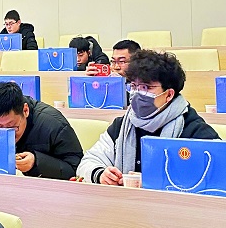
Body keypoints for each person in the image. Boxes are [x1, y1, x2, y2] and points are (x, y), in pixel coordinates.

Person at [77, 50, 220, 185]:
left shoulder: (192, 129)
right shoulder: (122, 125)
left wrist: (153, 182)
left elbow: (218, 171)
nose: (137, 94)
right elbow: (88, 161)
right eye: (134, 86)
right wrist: (101, 174)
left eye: (146, 87)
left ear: (169, 95)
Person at [0, 82, 83, 179]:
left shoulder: (54, 125)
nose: (7, 134)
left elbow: (75, 168)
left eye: (12, 127)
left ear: (25, 110)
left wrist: (37, 162)